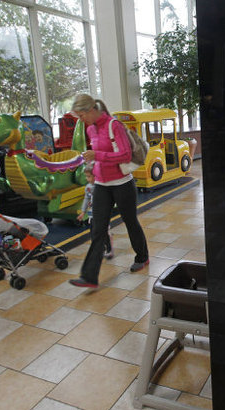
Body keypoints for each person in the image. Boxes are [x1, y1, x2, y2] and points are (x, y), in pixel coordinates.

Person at [68, 94, 149, 288]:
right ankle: (89, 277)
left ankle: (142, 257)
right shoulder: (90, 129)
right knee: (97, 228)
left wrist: (97, 155)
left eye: (81, 115)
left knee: (130, 222)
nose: (81, 120)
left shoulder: (114, 125)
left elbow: (125, 154)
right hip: (102, 186)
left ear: (90, 110)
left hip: (122, 183)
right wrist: (92, 163)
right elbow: (100, 158)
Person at [78, 163, 113, 259]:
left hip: (102, 214)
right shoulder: (88, 187)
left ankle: (109, 249)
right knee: (93, 232)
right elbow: (86, 199)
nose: (87, 179)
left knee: (104, 232)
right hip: (92, 214)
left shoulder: (102, 186)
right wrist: (83, 212)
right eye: (86, 176)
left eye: (89, 176)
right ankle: (98, 249)